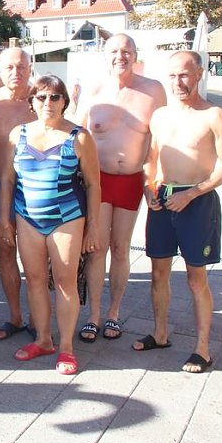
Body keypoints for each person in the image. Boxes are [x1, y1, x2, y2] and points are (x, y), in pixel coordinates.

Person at [134, 51, 222, 374]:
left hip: (197, 201)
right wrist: (148, 187)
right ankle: (161, 333)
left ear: (199, 74)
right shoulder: (160, 115)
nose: (178, 82)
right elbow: (151, 156)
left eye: (185, 75)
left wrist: (193, 193)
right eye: (173, 76)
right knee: (158, 273)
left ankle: (202, 349)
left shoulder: (214, 115)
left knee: (196, 280)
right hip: (163, 200)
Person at [0, 75, 100, 375]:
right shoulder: (18, 134)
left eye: (55, 97)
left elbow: (94, 185)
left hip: (66, 219)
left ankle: (67, 347)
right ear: (31, 102)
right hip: (26, 218)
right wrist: (4, 219)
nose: (48, 103)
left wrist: (93, 227)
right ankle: (43, 339)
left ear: (65, 102)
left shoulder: (79, 138)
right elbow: (7, 180)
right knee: (34, 279)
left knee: (66, 283)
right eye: (41, 97)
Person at [73, 34, 166, 343]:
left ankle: (114, 312)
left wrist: (153, 179)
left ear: (135, 54)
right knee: (96, 247)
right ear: (105, 55)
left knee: (121, 248)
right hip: (97, 180)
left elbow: (160, 140)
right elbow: (76, 132)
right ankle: (95, 316)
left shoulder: (152, 90)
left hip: (131, 180)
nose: (120, 56)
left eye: (126, 51)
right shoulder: (94, 90)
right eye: (113, 51)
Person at [0, 47, 35, 340]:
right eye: (9, 67)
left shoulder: (42, 99)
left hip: (37, 190)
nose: (16, 73)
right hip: (0, 184)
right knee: (6, 250)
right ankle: (15, 316)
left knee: (38, 257)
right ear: (0, 70)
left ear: (30, 67)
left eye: (21, 66)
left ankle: (39, 318)